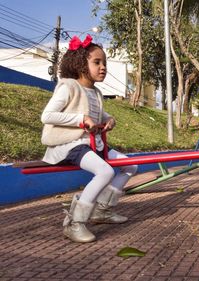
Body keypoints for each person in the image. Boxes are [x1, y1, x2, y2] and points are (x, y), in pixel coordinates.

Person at [40, 35, 138, 242]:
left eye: (104, 63)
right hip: (71, 145)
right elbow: (47, 116)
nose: (103, 67)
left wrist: (109, 119)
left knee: (130, 166)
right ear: (79, 64)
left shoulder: (96, 92)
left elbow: (97, 115)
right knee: (105, 171)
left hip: (93, 145)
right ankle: (75, 222)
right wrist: (80, 120)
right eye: (97, 62)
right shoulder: (68, 86)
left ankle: (103, 210)